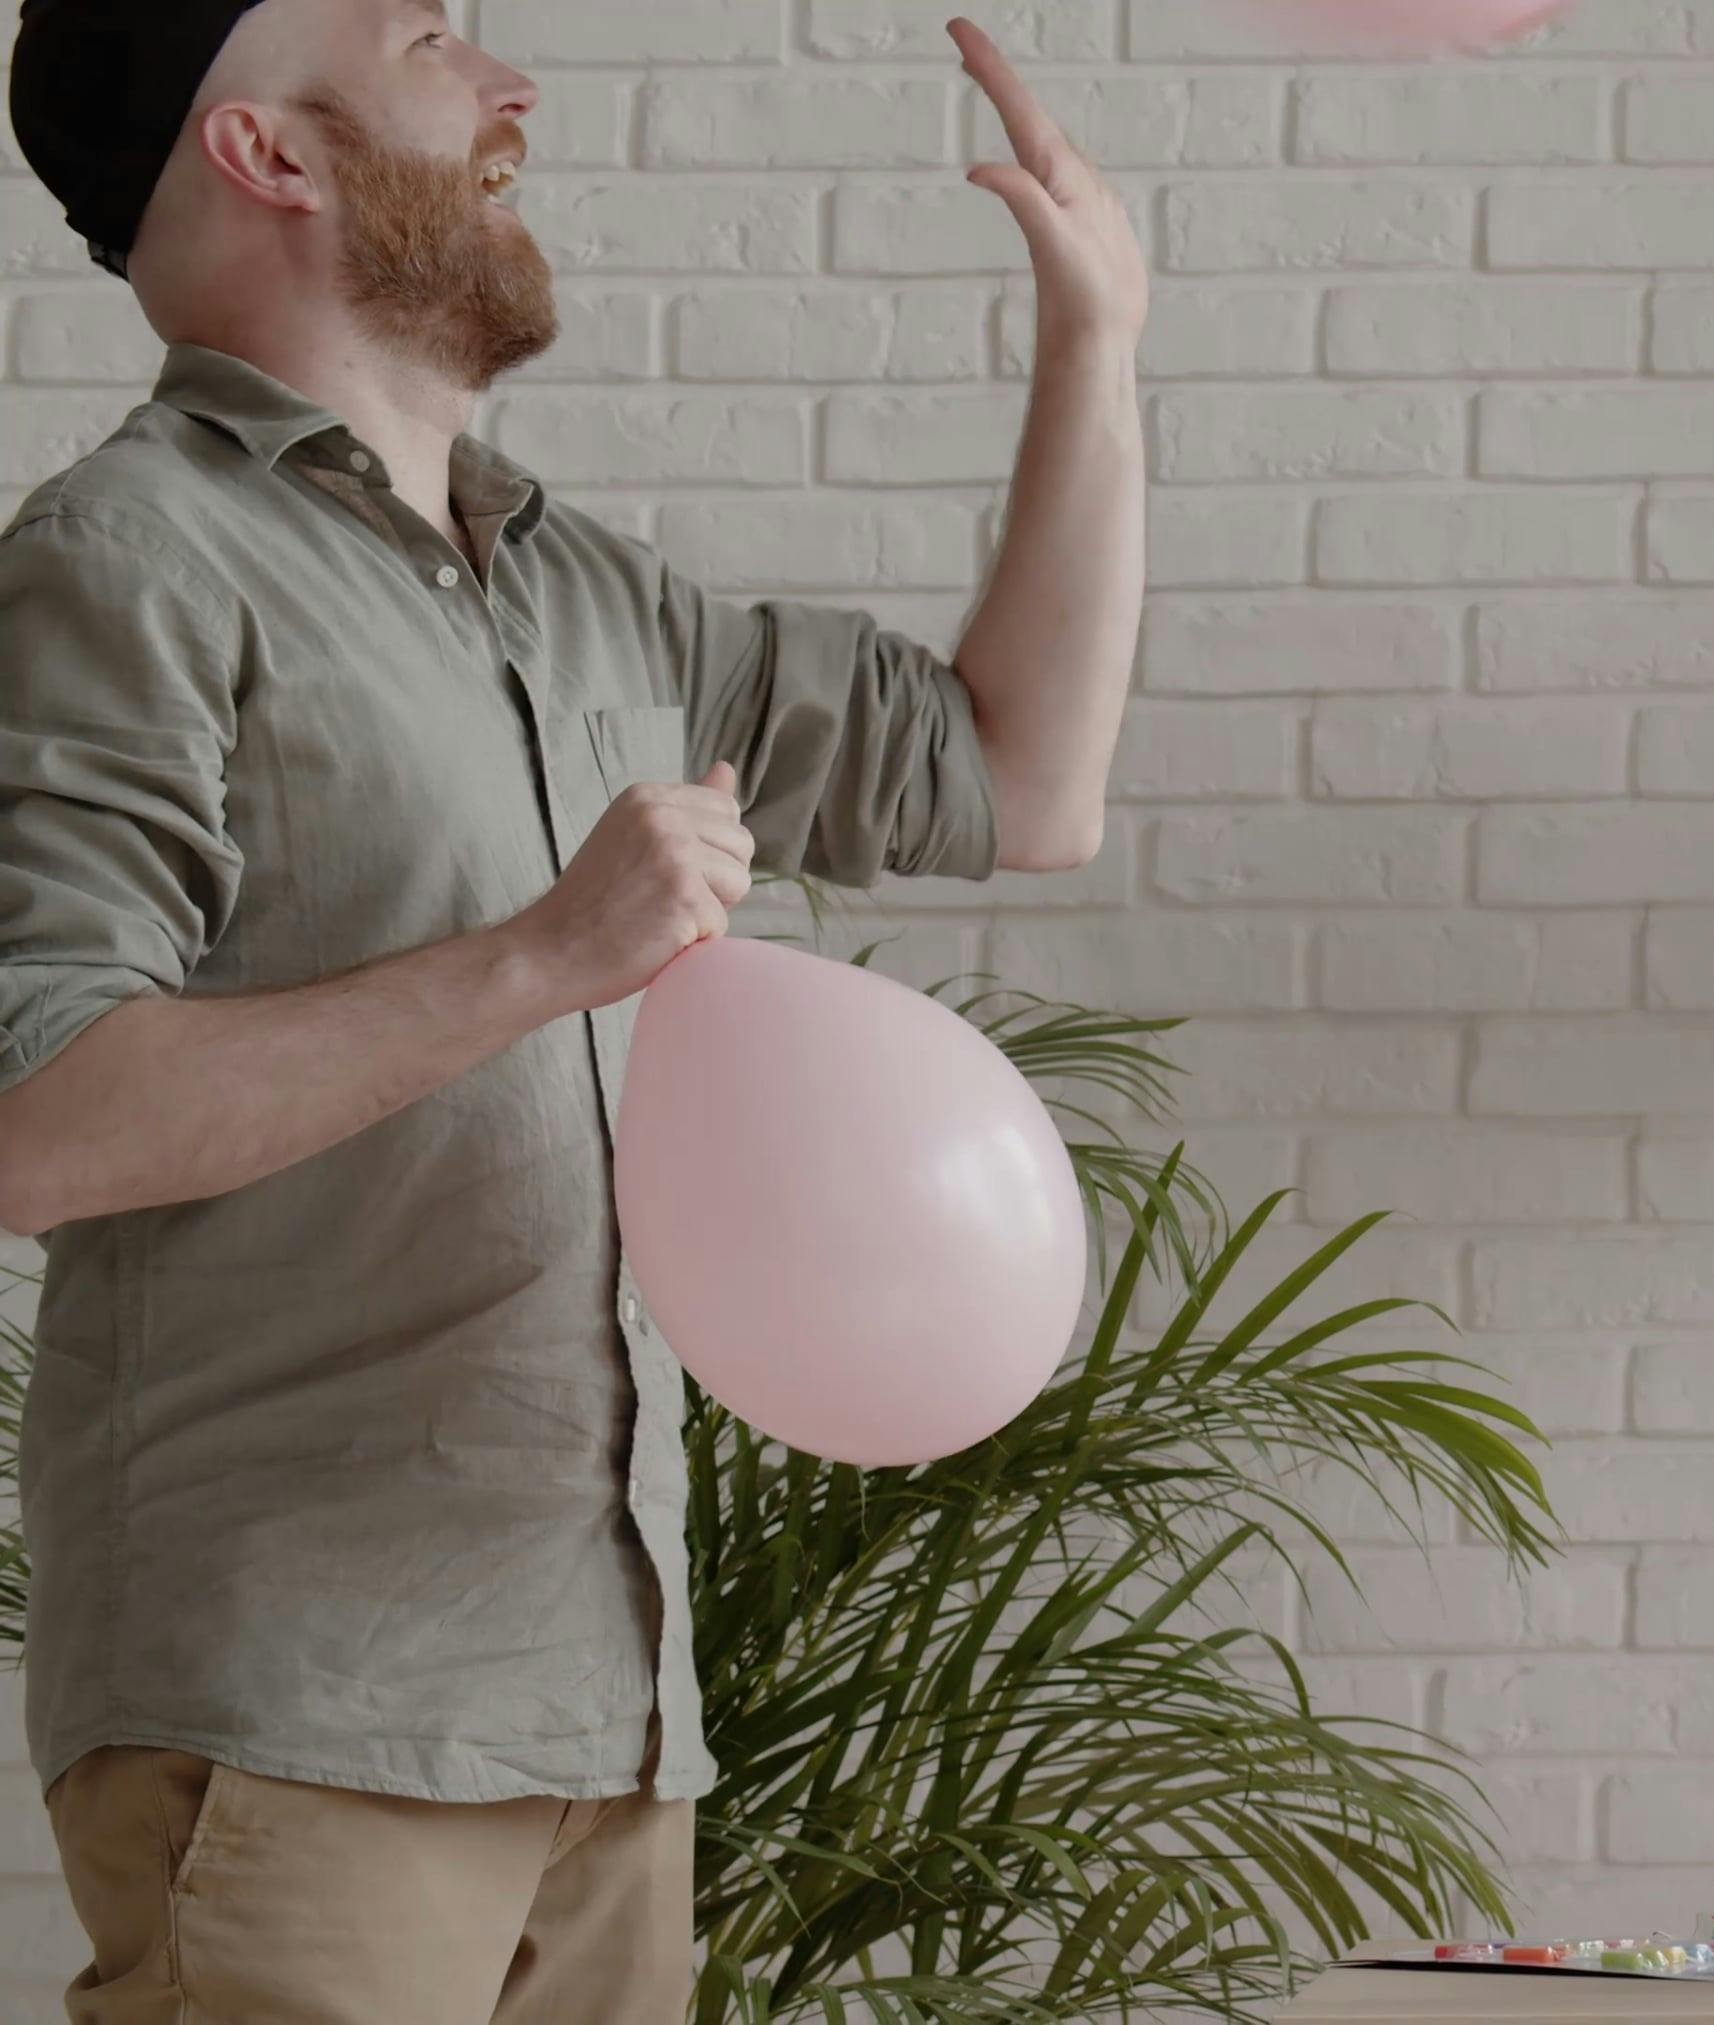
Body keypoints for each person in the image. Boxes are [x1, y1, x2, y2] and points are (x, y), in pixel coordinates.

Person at [0, 1, 1147, 2013]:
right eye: (428, 37)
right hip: (301, 1718)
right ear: (269, 152)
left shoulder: (583, 594)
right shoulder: (128, 557)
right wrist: (539, 955)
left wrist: (1097, 340)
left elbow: (1019, 775)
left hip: (609, 1720)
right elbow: (37, 1115)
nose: (508, 85)